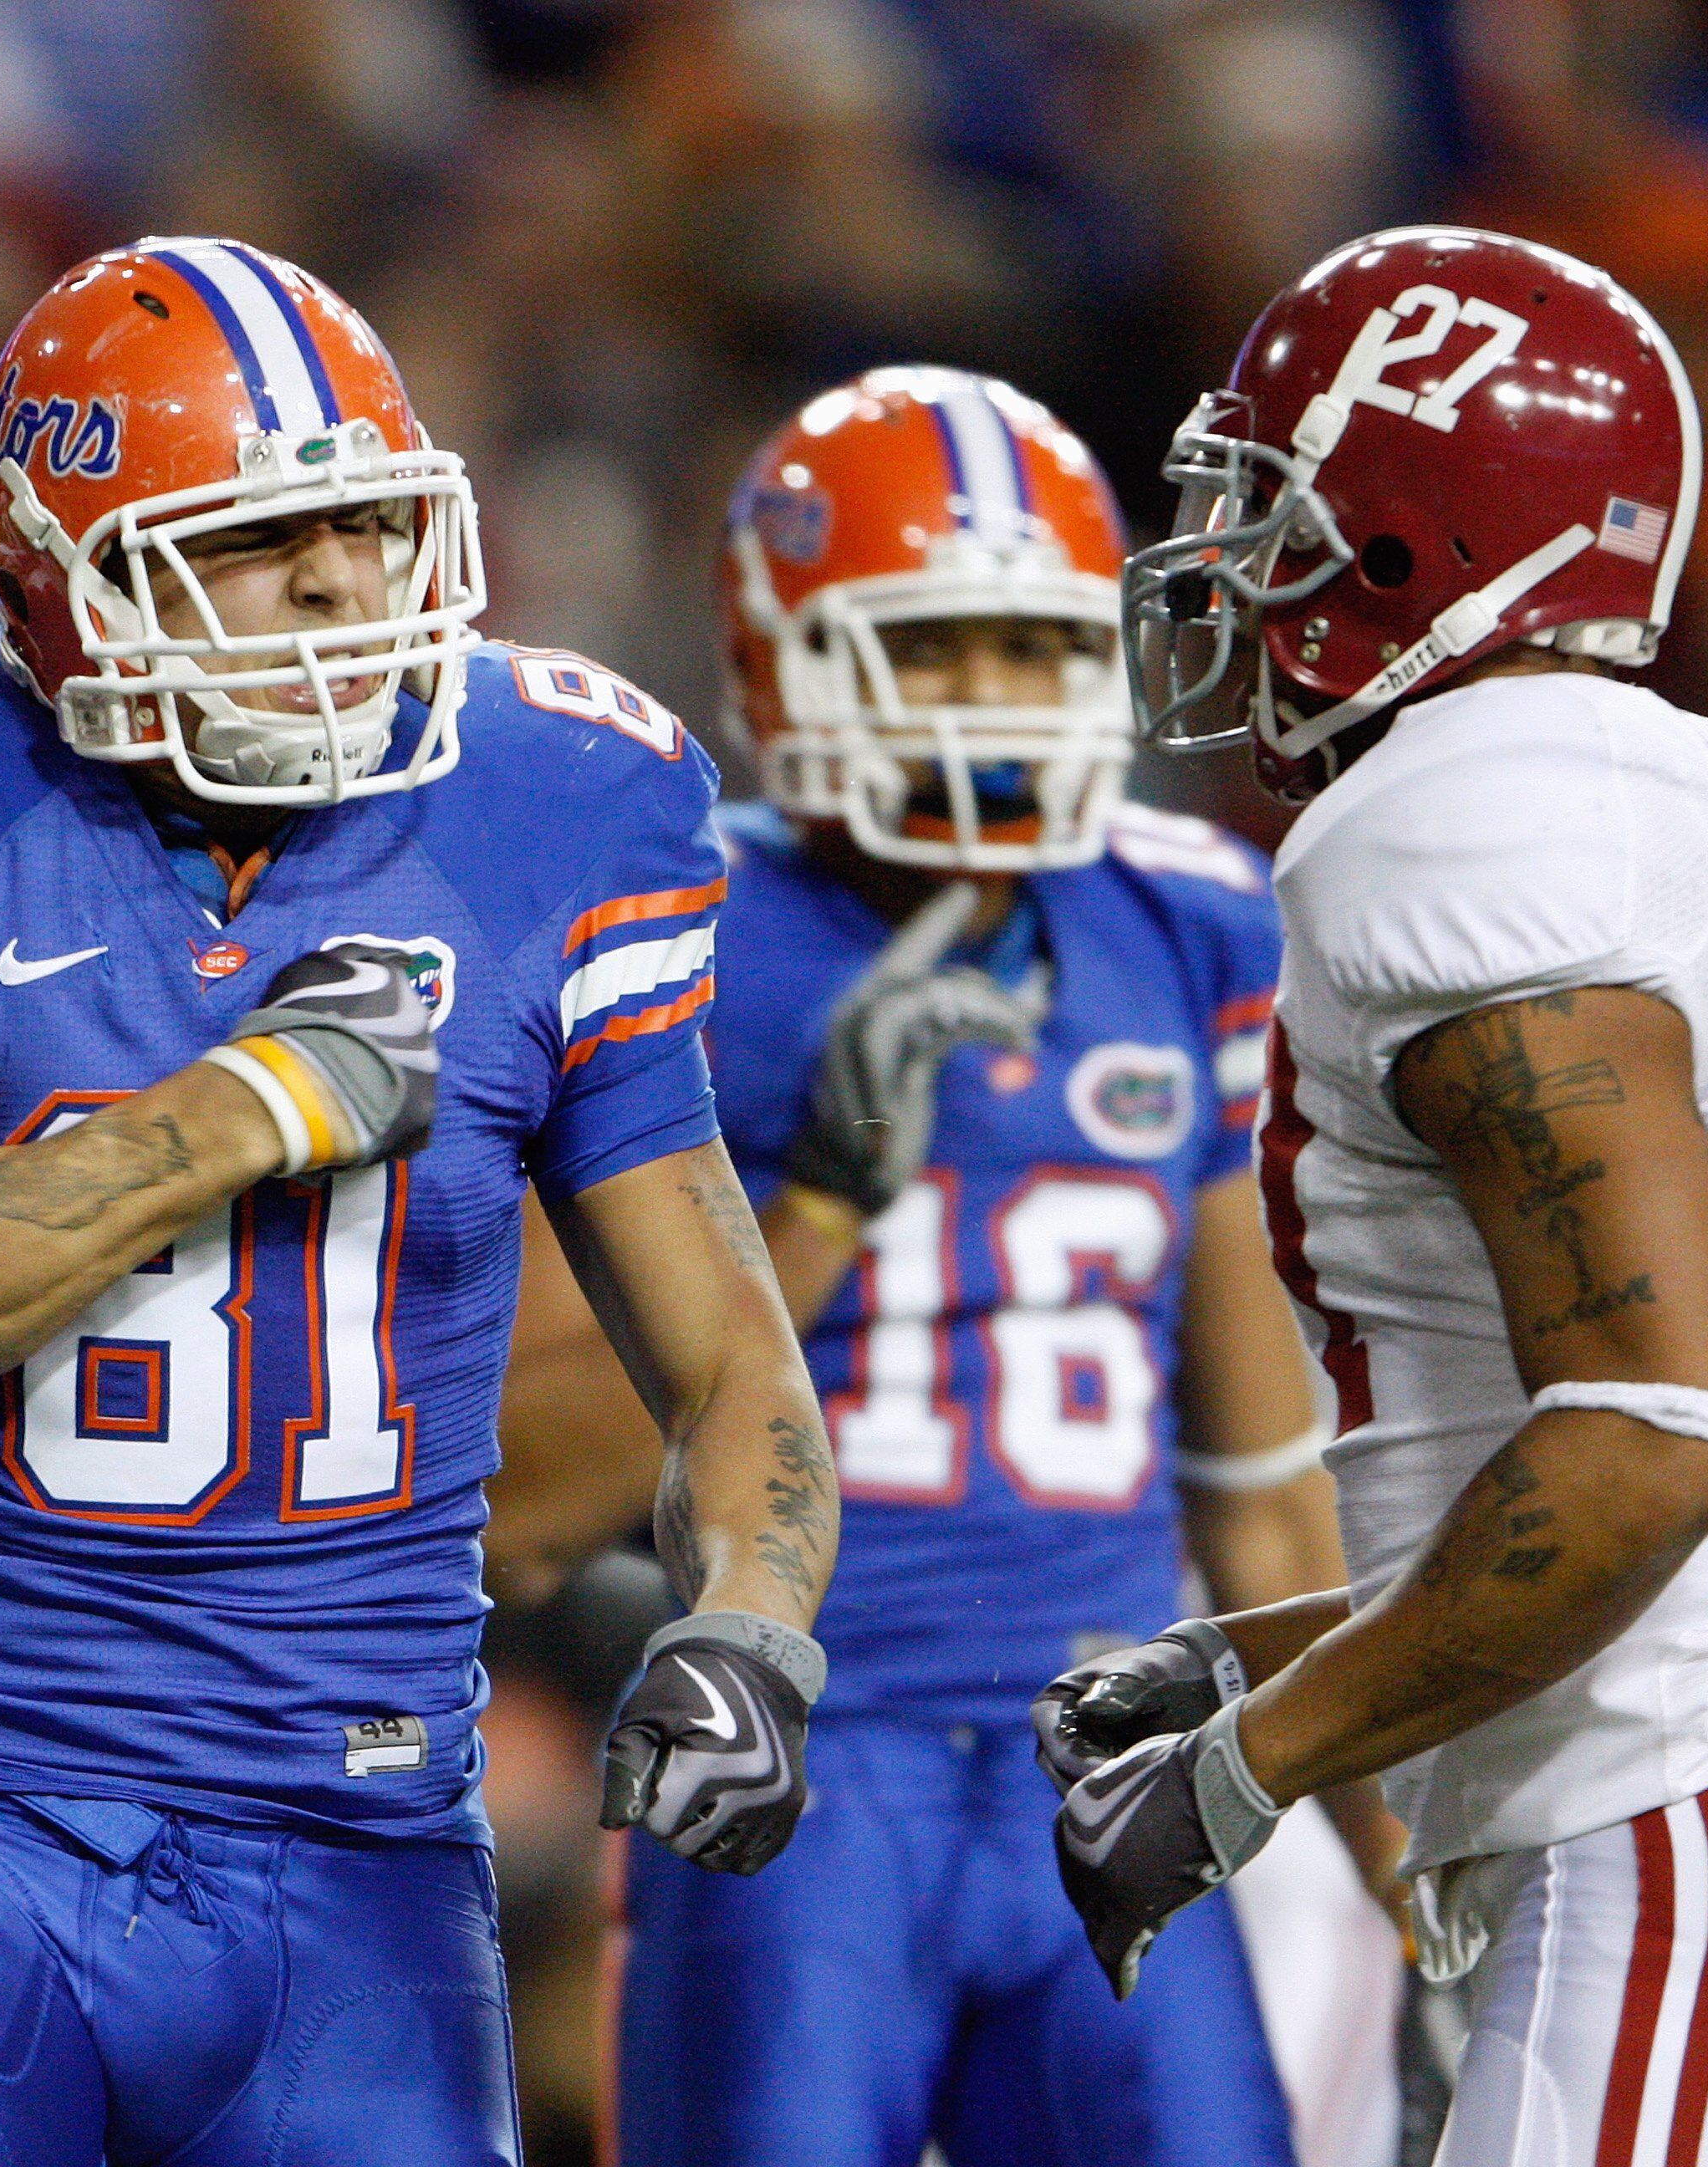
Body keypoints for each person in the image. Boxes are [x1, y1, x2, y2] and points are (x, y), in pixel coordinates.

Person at [0, 235, 839, 2167]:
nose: (351, 589)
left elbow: (737, 1377)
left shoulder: (552, 805)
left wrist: (754, 1623)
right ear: (63, 589)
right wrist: (236, 1112)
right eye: (270, 545)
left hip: (360, 1860)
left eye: (371, 526)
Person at [1045, 225, 1708, 2164]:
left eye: (1274, 517)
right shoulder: (1662, 776)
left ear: (1406, 549)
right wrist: (1268, 1652)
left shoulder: (1460, 806)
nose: (1234, 573)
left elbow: (1654, 1439)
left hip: (1677, 1817)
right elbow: (1622, 1419)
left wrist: (1248, 1771)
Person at [496, 367, 1368, 2167]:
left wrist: (1407, 1877)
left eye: (1037, 651)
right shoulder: (668, 934)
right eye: (942, 647)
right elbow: (523, 1499)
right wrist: (820, 1196)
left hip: (1114, 1765)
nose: (998, 703)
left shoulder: (1184, 919)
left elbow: (1267, 1498)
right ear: (785, 655)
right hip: (805, 1775)